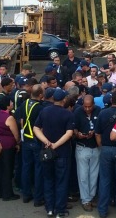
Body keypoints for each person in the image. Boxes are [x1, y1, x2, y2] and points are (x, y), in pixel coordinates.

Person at [33, 89, 74, 218]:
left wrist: (46, 141)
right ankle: (60, 210)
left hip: (46, 152)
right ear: (64, 100)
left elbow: (36, 128)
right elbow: (69, 133)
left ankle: (49, 208)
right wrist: (55, 145)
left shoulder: (44, 111)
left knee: (48, 180)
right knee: (61, 182)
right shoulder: (68, 114)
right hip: (62, 153)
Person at [95, 90, 116, 218]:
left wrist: (101, 146)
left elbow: (97, 133)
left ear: (110, 100)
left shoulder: (102, 113)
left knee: (104, 180)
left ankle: (102, 210)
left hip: (106, 149)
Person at [18, 85, 45, 206]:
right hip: (36, 140)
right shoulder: (40, 107)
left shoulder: (25, 102)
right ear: (40, 95)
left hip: (26, 140)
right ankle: (38, 197)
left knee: (26, 167)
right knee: (39, 169)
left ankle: (26, 194)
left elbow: (19, 118)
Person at [72, 95, 100, 212]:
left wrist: (95, 132)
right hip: (82, 147)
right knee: (83, 176)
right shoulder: (78, 112)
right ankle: (85, 200)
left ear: (93, 104)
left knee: (94, 175)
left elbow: (101, 126)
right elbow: (73, 128)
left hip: (95, 147)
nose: (87, 109)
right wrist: (78, 134)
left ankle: (92, 196)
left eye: (89, 106)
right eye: (85, 106)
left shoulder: (98, 110)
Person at [0, 94, 20, 201]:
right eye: (11, 102)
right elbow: (16, 134)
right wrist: (18, 143)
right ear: (8, 105)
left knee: (0, 169)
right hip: (8, 145)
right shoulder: (9, 118)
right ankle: (7, 193)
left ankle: (0, 191)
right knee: (8, 170)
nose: (12, 104)